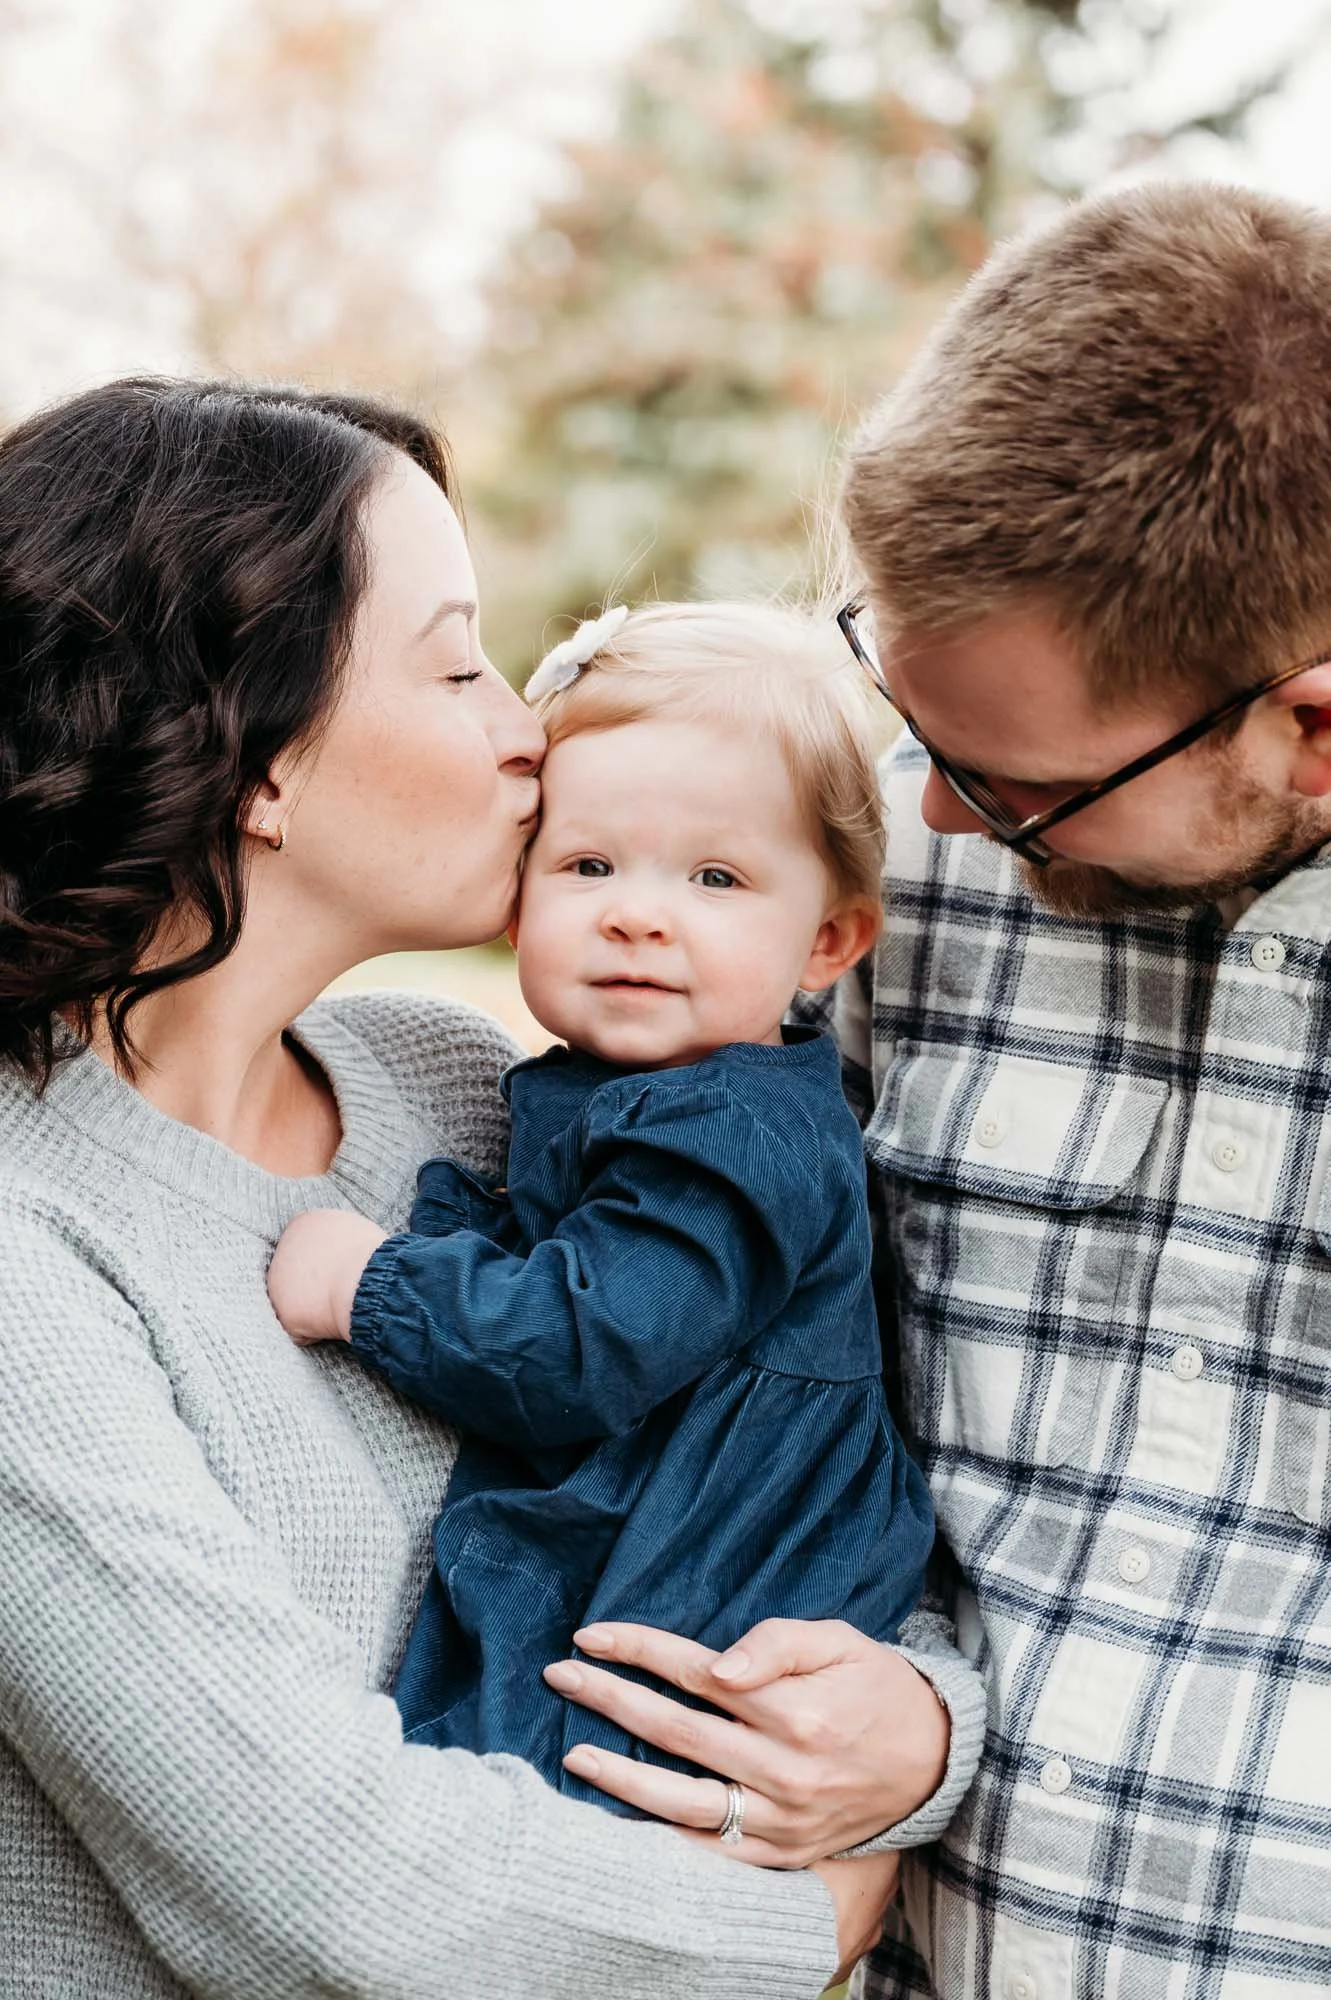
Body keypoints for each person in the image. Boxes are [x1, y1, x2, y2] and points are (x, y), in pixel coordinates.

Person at [0, 374, 985, 1998]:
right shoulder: (36, 1253)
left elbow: (792, 1457)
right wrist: (820, 1911)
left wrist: (919, 1730)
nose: (530, 732)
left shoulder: (462, 1091)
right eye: (458, 663)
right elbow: (339, 1890)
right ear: (257, 756)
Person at [815, 179, 1331, 1998]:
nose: (938, 809)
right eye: (909, 720)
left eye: (1015, 783)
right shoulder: (884, 872)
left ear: (1313, 724)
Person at [266, 599, 936, 1815]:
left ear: (825, 939)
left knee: (532, 1797)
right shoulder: (628, 1094)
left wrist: (370, 1283)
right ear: (518, 897)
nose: (639, 909)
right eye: (588, 864)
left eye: (717, 876)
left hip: (703, 1595)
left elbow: (582, 1345)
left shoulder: (733, 1136)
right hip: (650, 1544)